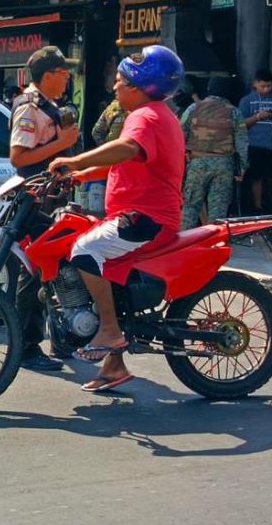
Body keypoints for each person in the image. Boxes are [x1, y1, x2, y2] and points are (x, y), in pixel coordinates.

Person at [48, 45, 185, 393]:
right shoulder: (153, 114)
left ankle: (108, 330)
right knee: (96, 256)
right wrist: (79, 176)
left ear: (139, 87)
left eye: (121, 80)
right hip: (138, 215)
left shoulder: (146, 116)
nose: (114, 87)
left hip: (146, 218)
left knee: (83, 250)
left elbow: (125, 150)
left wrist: (75, 162)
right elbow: (123, 160)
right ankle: (114, 365)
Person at [8, 46, 82, 371]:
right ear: (49, 75)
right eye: (64, 73)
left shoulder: (49, 105)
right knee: (36, 271)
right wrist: (61, 145)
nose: (68, 78)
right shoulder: (29, 107)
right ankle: (26, 345)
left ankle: (61, 336)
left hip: (52, 198)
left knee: (55, 269)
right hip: (34, 201)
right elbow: (18, 157)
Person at [179, 77, 247, 230]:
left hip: (197, 163)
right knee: (218, 211)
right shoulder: (234, 112)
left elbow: (180, 134)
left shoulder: (193, 108)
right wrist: (241, 168)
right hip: (224, 165)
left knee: (190, 207)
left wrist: (184, 156)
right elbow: (242, 143)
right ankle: (215, 246)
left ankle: (183, 245)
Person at [239, 70, 272, 212]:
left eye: (269, 86)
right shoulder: (247, 100)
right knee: (256, 177)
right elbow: (240, 124)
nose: (266, 89)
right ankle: (258, 206)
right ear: (255, 84)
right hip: (255, 145)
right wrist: (257, 117)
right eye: (263, 86)